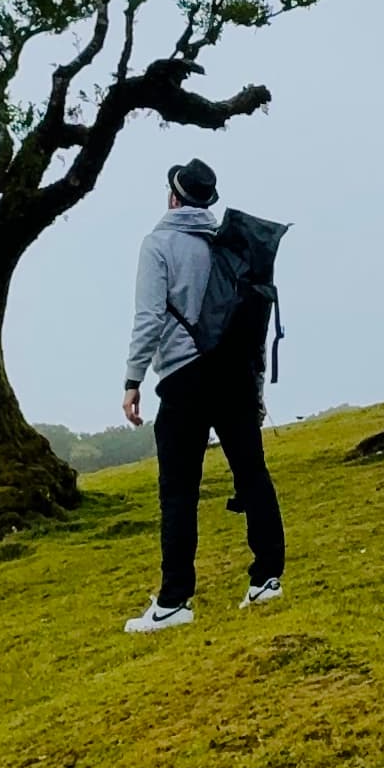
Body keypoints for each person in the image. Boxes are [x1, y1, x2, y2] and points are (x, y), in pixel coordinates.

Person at [118, 157, 285, 634]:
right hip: (233, 373)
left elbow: (149, 318)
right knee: (251, 470)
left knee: (178, 489)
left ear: (173, 198)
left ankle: (175, 601)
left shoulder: (158, 245)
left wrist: (132, 380)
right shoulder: (227, 244)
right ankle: (267, 579)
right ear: (205, 201)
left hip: (184, 378)